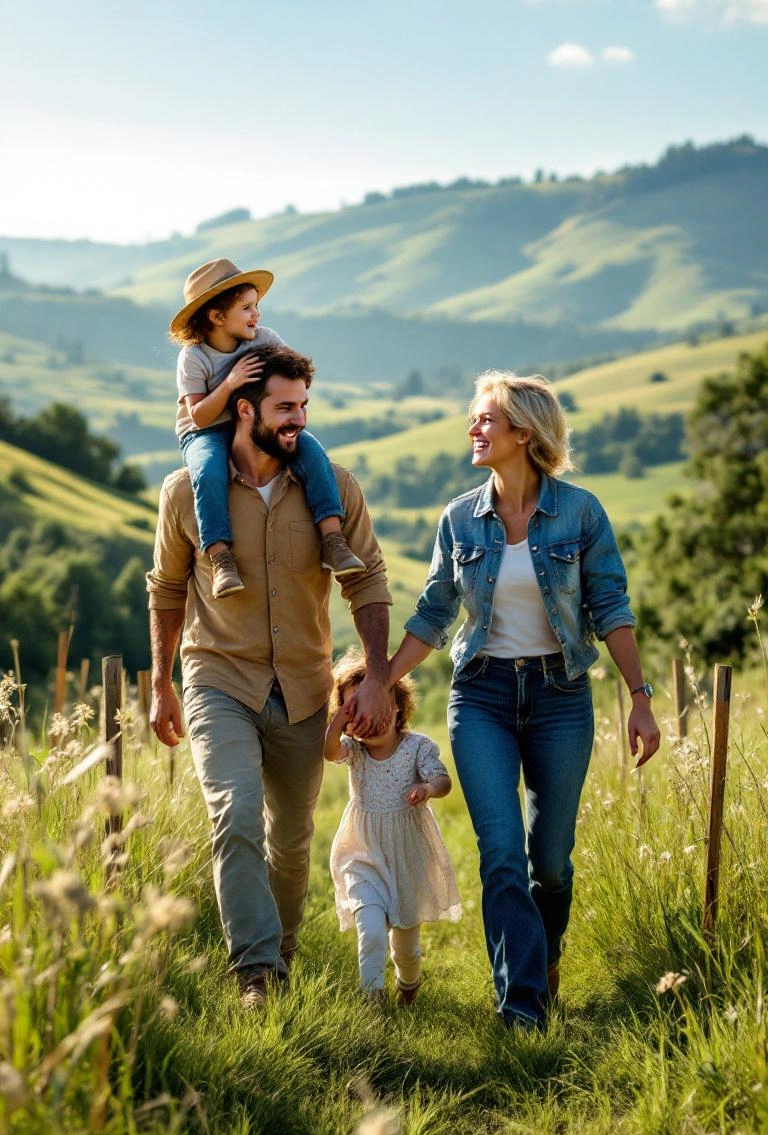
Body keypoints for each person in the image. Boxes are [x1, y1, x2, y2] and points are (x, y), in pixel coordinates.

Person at [386, 370, 660, 1029]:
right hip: (479, 695)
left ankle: (544, 957)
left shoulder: (581, 513)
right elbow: (431, 614)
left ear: (524, 434)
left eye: (485, 419)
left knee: (551, 864)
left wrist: (640, 697)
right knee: (501, 851)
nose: (473, 429)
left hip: (560, 698)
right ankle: (521, 1006)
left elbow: (612, 608)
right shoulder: (459, 519)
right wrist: (379, 679)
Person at [147, 345, 393, 1008]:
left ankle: (281, 953)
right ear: (244, 408)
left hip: (305, 686)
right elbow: (168, 588)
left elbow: (367, 580)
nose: (299, 420)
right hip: (217, 678)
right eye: (286, 408)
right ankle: (255, 973)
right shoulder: (184, 493)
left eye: (305, 406)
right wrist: (161, 683)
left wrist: (374, 674)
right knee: (236, 818)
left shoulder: (332, 487)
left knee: (292, 840)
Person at [170, 257, 365, 599]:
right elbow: (199, 416)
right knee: (207, 472)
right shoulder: (194, 357)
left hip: (252, 423)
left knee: (312, 452)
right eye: (246, 308)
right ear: (216, 317)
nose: (256, 315)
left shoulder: (265, 338)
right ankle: (221, 559)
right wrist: (230, 383)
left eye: (256, 306)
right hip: (205, 431)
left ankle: (333, 539)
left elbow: (297, 372)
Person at [326, 647, 461, 1004]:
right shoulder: (354, 751)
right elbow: (326, 751)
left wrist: (428, 788)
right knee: (369, 930)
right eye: (355, 711)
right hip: (363, 853)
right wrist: (341, 716)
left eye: (373, 705)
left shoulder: (416, 748)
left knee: (405, 947)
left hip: (405, 857)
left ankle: (408, 982)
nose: (366, 719)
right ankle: (373, 1000)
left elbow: (444, 781)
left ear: (397, 705)